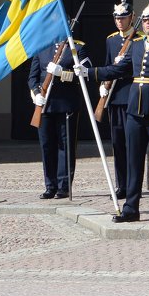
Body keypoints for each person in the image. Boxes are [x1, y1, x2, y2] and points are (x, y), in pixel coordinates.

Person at [75, 0, 149, 223]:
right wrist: (88, 73)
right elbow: (117, 70)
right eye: (145, 20)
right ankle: (131, 208)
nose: (147, 23)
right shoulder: (135, 46)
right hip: (134, 110)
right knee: (133, 160)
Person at [29, 38, 89, 199]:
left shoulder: (77, 47)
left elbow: (84, 75)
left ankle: (64, 186)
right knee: (47, 146)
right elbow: (32, 78)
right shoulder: (42, 47)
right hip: (44, 104)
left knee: (66, 147)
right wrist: (35, 94)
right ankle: (50, 185)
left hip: (66, 105)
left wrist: (61, 72)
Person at [98, 0, 135, 200]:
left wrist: (125, 63)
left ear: (131, 18)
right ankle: (121, 184)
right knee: (118, 144)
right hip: (114, 96)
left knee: (132, 143)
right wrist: (103, 86)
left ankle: (132, 184)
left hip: (131, 94)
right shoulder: (111, 40)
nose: (120, 21)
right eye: (117, 18)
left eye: (123, 17)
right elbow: (106, 66)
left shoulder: (137, 39)